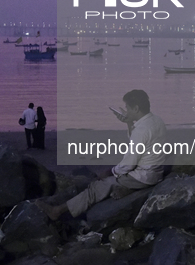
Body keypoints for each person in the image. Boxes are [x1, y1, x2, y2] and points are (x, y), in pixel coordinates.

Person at [36, 90, 166, 220]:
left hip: (143, 177)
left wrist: (110, 172)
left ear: (136, 108)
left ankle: (57, 211)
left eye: (127, 108)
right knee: (109, 180)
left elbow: (128, 164)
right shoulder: (157, 120)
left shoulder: (141, 131)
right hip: (156, 173)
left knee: (96, 187)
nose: (126, 111)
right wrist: (128, 122)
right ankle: (127, 189)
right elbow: (140, 140)